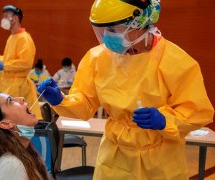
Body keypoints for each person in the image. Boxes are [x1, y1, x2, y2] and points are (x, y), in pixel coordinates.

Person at [37, 0, 214, 179]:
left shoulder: (176, 61)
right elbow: (85, 102)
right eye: (100, 30)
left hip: (161, 161)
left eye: (112, 30)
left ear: (138, 24)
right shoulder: (98, 58)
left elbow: (198, 111)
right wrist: (61, 100)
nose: (105, 36)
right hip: (114, 158)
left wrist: (164, 120)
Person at [0, 92, 49, 180]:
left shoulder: (21, 151)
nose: (22, 98)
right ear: (6, 123)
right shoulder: (11, 165)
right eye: (10, 101)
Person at [0, 5, 42, 120]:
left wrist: (4, 65)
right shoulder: (12, 37)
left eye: (6, 16)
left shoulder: (24, 38)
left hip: (18, 87)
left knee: (16, 121)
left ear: (14, 18)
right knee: (6, 119)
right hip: (7, 84)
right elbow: (10, 58)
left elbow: (25, 63)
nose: (3, 18)